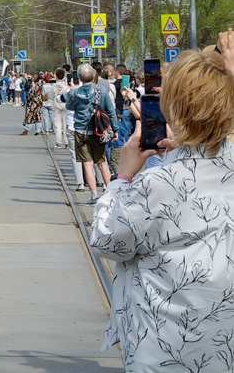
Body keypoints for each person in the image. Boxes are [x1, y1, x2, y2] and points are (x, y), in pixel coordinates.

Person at [91, 37, 234, 372]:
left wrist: (122, 178)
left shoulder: (157, 183)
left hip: (166, 342)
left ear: (172, 108)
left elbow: (107, 239)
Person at [64, 64, 117, 202]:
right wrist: (115, 130)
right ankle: (110, 194)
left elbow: (69, 106)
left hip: (81, 130)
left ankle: (94, 195)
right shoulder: (101, 90)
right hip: (98, 130)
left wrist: (71, 90)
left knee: (87, 163)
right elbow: (110, 111)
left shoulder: (75, 92)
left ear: (80, 78)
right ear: (93, 75)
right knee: (102, 161)